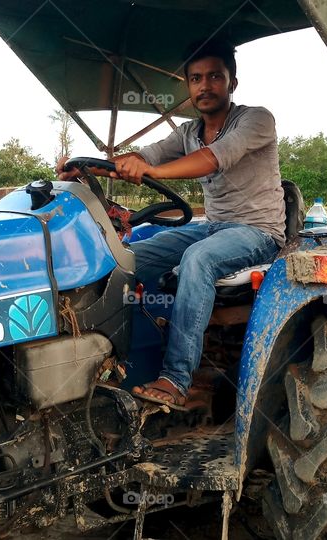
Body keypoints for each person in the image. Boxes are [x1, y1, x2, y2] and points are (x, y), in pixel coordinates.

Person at [57, 39, 285, 409]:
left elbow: (213, 159)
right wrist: (88, 166)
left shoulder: (256, 119)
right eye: (196, 79)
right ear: (188, 87)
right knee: (124, 258)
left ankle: (176, 379)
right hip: (215, 226)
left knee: (198, 258)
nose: (205, 85)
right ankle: (100, 362)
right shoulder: (187, 133)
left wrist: (151, 171)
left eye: (215, 76)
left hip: (258, 232)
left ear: (232, 83)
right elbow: (141, 156)